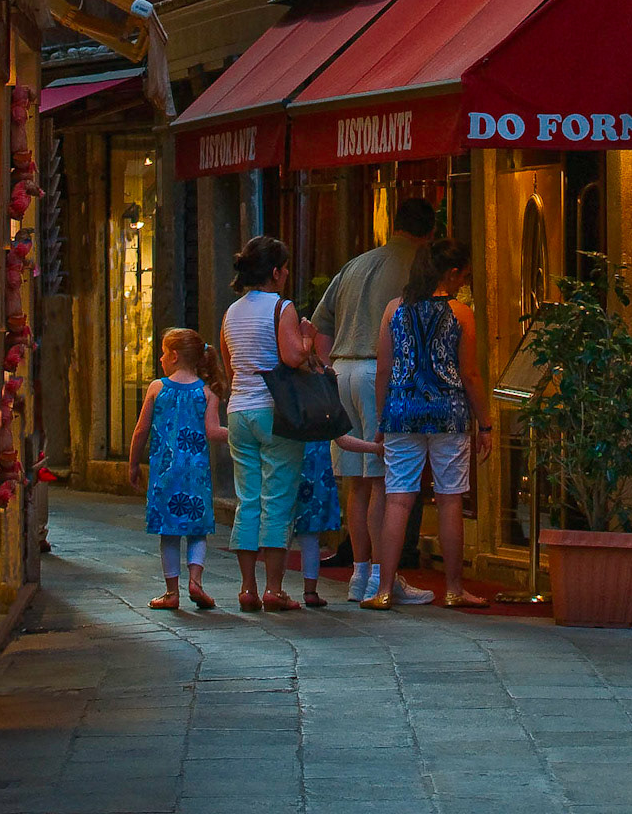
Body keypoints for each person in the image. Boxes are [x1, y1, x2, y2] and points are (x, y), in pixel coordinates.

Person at [309, 197, 438, 605]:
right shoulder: (418, 264)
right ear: (429, 233)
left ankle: (360, 574)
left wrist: (330, 371)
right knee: (384, 478)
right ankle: (385, 575)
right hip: (377, 371)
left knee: (357, 482)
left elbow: (318, 324)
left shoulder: (357, 263)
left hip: (342, 371)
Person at [363, 238, 492, 612]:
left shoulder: (394, 310)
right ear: (450, 273)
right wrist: (484, 423)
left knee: (398, 498)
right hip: (447, 413)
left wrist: (382, 418)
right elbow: (469, 374)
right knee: (451, 499)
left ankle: (384, 589)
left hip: (402, 411)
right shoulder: (460, 312)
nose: (462, 284)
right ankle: (454, 588)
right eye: (462, 276)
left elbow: (384, 369)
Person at [221, 234, 312, 612]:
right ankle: (274, 588)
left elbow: (229, 365)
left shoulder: (232, 312)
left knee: (248, 500)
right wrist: (307, 338)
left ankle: (246, 587)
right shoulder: (282, 307)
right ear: (275, 272)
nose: (288, 273)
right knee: (277, 500)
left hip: (238, 409)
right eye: (285, 267)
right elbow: (292, 357)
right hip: (274, 411)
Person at [128, 326, 227, 612]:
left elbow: (140, 430)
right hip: (196, 474)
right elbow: (212, 431)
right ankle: (196, 580)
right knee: (198, 531)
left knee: (168, 533)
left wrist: (134, 463)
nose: (160, 358)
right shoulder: (207, 392)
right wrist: (239, 436)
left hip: (164, 474)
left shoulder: (157, 388)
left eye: (162, 353)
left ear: (173, 355)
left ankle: (171, 592)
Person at [292, 430, 384, 606]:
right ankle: (310, 592)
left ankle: (274, 588)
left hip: (285, 473)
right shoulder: (323, 407)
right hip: (314, 479)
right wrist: (374, 448)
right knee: (310, 539)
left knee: (281, 534)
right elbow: (342, 439)